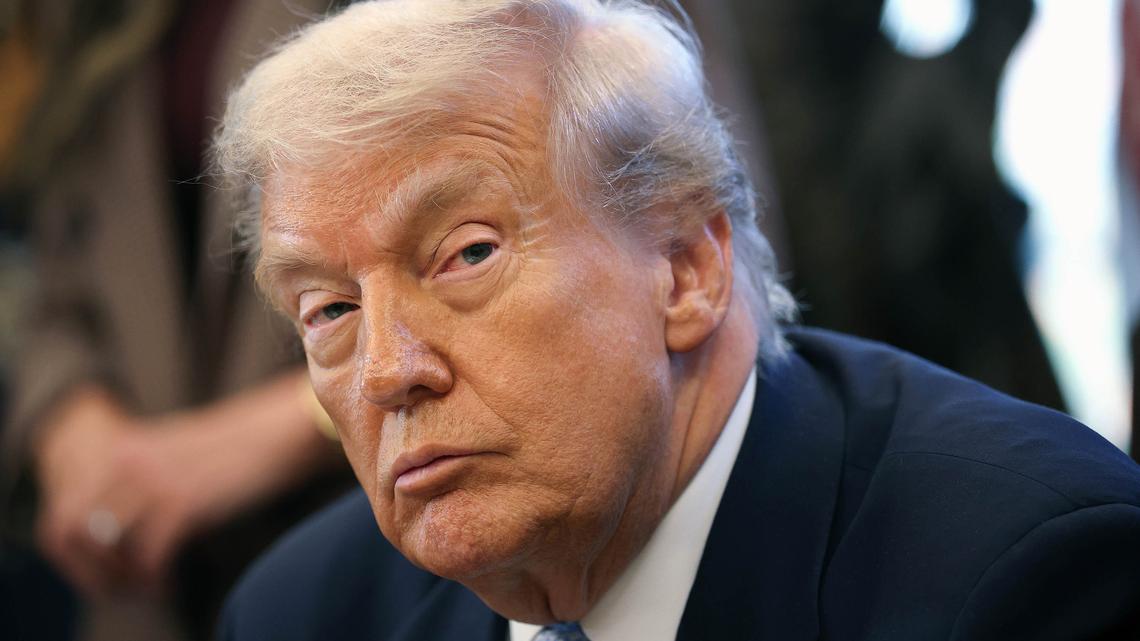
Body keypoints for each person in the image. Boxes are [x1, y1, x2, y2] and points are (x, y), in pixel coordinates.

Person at [212, 1, 1140, 639]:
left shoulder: (1022, 580)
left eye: (467, 254)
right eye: (329, 307)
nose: (384, 371)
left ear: (687, 267)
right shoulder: (300, 612)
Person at [0, 1, 351, 639]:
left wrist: (288, 426)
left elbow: (482, 262)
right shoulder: (80, 20)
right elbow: (58, 284)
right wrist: (74, 422)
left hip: (354, 551)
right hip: (140, 588)